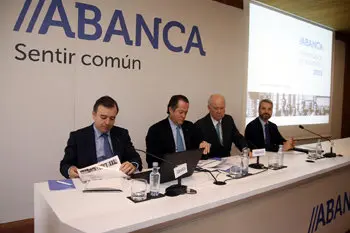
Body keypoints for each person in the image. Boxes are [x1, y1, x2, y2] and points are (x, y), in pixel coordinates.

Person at [60, 96, 142, 178]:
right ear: (94, 115)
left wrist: (133, 165)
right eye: (103, 117)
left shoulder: (121, 134)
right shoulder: (78, 137)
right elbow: (65, 165)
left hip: (118, 182)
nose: (107, 122)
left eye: (112, 118)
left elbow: (135, 159)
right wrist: (70, 170)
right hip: (88, 184)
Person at [146, 95, 210, 168]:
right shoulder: (156, 130)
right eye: (181, 112)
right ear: (170, 110)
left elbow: (199, 144)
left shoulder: (190, 126)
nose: (183, 116)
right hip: (167, 171)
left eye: (186, 113)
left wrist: (203, 143)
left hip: (189, 169)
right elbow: (152, 160)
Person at [195, 94, 248, 159]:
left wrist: (245, 149)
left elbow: (237, 137)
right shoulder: (200, 125)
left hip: (227, 161)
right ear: (209, 108)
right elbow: (196, 148)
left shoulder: (228, 120)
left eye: (222, 108)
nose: (219, 111)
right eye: (216, 108)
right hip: (209, 163)